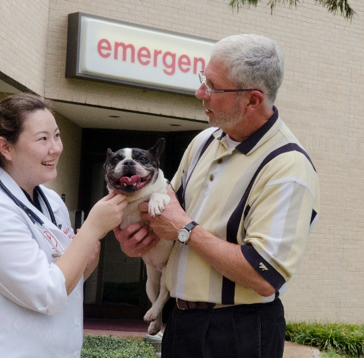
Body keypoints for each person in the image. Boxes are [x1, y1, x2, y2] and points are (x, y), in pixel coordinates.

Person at [115, 34, 320, 358]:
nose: (199, 93)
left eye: (212, 86)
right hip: (181, 323)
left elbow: (264, 275)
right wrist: (135, 239)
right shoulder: (204, 141)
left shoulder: (288, 168)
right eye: (202, 80)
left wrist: (186, 230)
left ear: (252, 100)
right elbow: (165, 211)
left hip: (238, 332)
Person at [0, 93, 127, 358]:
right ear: (6, 147)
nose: (55, 148)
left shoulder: (51, 201)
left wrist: (86, 261)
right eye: (42, 139)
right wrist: (90, 231)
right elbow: (47, 291)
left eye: (56, 135)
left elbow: (64, 282)